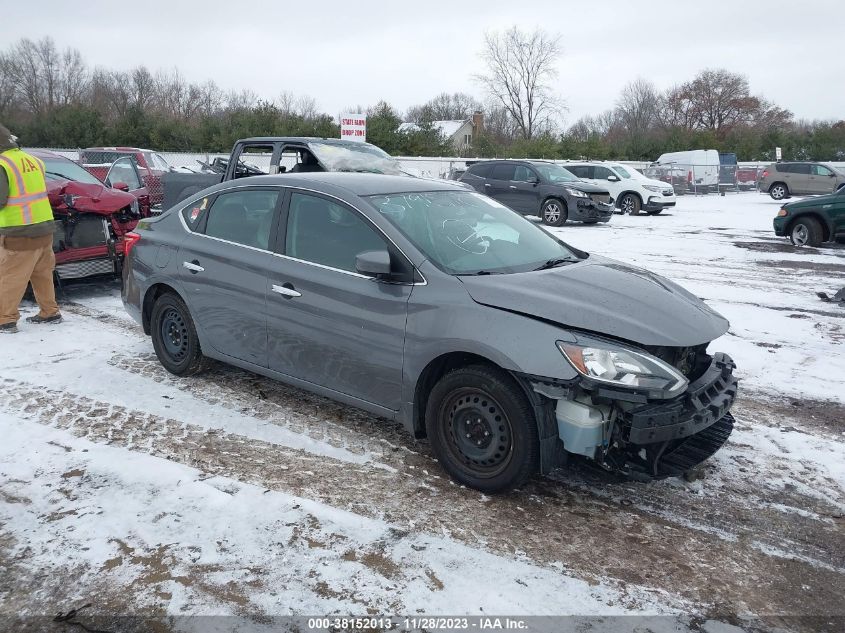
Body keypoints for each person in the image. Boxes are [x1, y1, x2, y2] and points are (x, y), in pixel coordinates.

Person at [0, 124, 62, 334]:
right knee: (42, 274)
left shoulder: (2, 164)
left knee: (11, 276)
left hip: (19, 232)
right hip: (44, 228)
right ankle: (50, 311)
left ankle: (5, 319)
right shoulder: (33, 160)